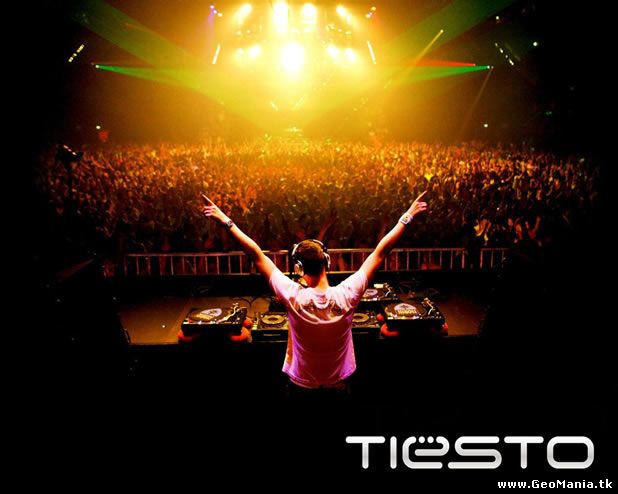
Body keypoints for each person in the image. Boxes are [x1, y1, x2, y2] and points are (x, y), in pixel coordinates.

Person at [200, 191, 428, 396]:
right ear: (327, 262)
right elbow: (381, 252)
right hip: (339, 385)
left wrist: (227, 222)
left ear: (299, 268)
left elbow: (256, 255)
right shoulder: (348, 293)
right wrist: (406, 217)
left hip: (301, 387)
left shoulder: (292, 295)